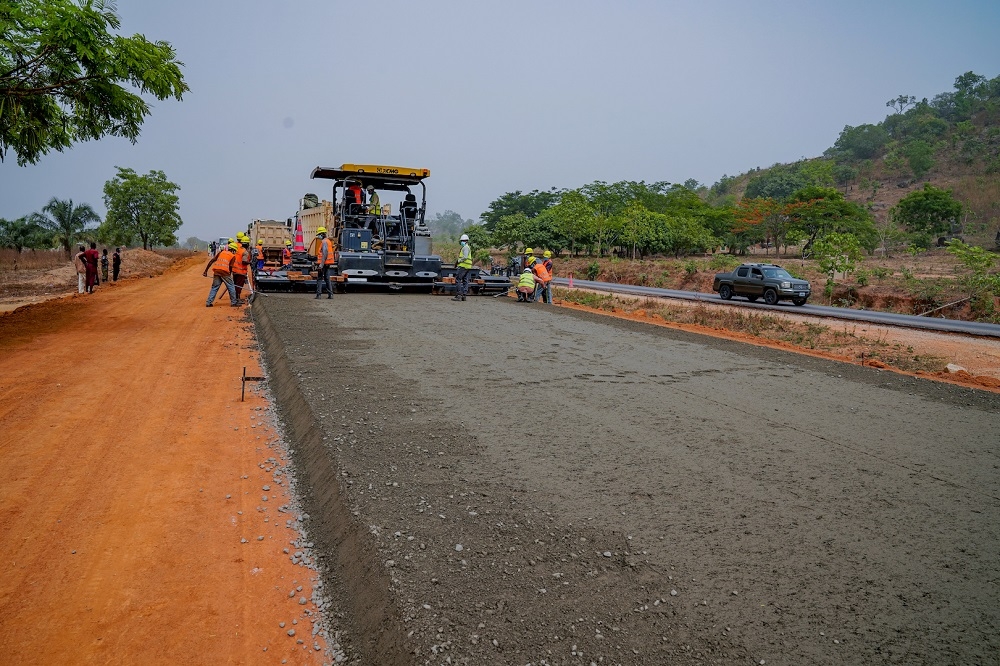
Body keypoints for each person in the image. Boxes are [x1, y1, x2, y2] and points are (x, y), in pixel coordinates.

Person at [203, 241, 240, 307]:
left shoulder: (221, 252)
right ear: (233, 250)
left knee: (214, 287)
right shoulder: (232, 256)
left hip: (216, 271)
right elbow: (230, 267)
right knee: (231, 286)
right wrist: (230, 275)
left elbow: (212, 261)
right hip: (225, 272)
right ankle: (234, 302)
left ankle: (208, 303)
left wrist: (205, 271)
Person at [315, 226, 335, 299]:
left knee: (320, 279)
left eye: (319, 234)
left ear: (322, 234)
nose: (318, 236)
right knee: (327, 278)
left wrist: (321, 265)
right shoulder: (328, 241)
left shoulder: (324, 242)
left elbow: (325, 253)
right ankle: (330, 294)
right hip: (327, 263)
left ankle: (318, 295)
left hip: (323, 263)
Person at [452, 233, 473, 301]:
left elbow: (465, 257)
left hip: (463, 266)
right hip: (467, 267)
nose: (462, 242)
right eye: (462, 241)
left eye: (463, 241)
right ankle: (464, 295)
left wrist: (458, 261)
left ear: (466, 241)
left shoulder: (465, 247)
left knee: (458, 279)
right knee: (465, 280)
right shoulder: (467, 247)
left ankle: (459, 295)